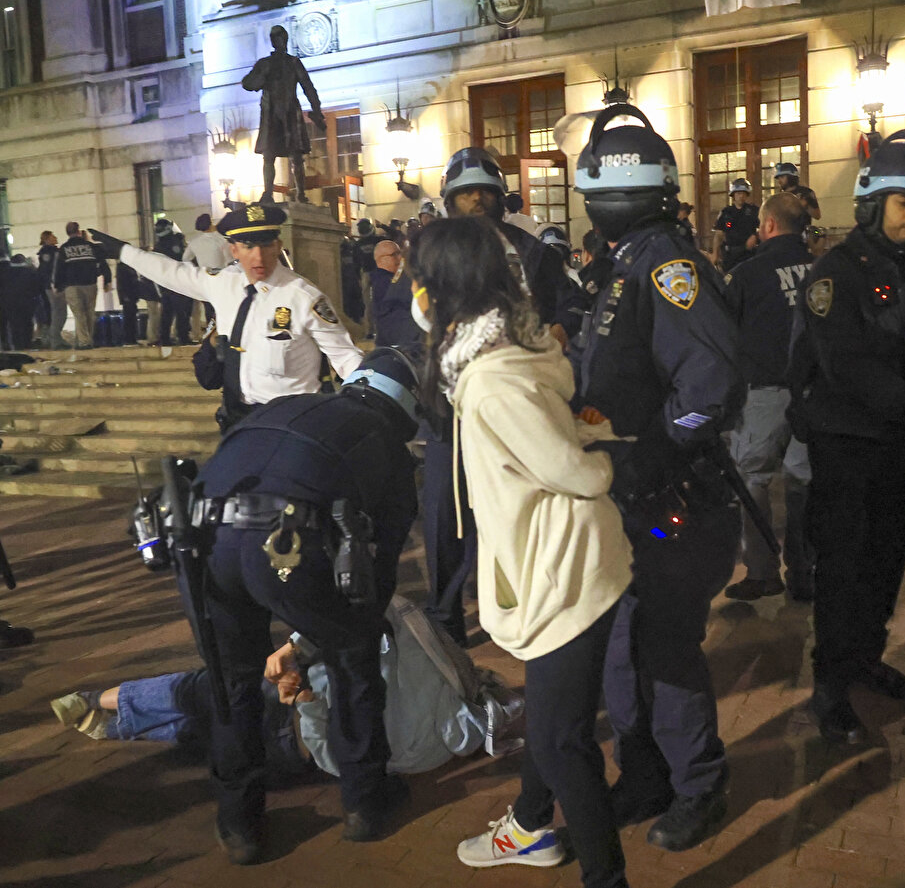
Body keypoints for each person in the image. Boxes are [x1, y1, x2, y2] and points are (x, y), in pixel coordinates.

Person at [410, 217, 633, 888]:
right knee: (551, 715)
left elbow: (572, 468)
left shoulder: (491, 379)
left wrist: (597, 462)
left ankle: (606, 877)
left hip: (561, 570)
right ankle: (532, 824)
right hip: (567, 558)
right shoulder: (508, 349)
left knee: (564, 741)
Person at [575, 105, 743, 852]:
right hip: (627, 497)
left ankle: (699, 782)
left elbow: (710, 386)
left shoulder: (668, 267)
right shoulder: (623, 264)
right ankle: (642, 773)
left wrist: (658, 454)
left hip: (671, 496)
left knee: (665, 648)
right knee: (622, 647)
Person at [184, 348, 421, 862]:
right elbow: (378, 573)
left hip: (207, 539)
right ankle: (363, 801)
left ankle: (239, 822)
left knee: (232, 680)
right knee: (354, 657)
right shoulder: (388, 447)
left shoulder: (282, 406)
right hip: (287, 544)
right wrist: (335, 630)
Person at [787, 130, 905, 744]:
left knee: (888, 556)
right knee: (842, 566)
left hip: (890, 442)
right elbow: (845, 363)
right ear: (873, 200)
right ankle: (830, 685)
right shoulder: (836, 271)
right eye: (903, 201)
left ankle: (864, 659)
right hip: (844, 441)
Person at [50, 594, 524, 776]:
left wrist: (300, 679)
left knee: (207, 693)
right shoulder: (428, 757)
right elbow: (339, 761)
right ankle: (111, 724)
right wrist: (305, 697)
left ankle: (101, 703)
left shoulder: (429, 669)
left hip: (294, 711)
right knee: (208, 732)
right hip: (293, 737)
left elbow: (383, 605)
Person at [420, 146, 583, 646]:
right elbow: (421, 315)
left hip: (519, 400)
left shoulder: (533, 250)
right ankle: (448, 624)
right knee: (445, 519)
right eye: (465, 193)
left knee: (518, 510)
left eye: (483, 192)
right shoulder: (435, 249)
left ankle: (529, 608)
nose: (475, 201)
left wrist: (556, 332)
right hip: (455, 409)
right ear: (450, 199)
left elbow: (572, 303)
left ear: (499, 196)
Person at [89, 205, 363, 432]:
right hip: (239, 420)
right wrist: (125, 253)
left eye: (266, 245)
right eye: (248, 246)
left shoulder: (304, 298)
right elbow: (173, 272)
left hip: (293, 424)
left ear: (278, 245)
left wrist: (369, 399)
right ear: (234, 250)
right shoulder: (224, 284)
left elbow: (345, 356)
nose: (258, 256)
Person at [721, 193, 816, 602]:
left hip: (764, 394)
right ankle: (804, 572)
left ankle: (762, 572)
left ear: (770, 225)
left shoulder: (748, 274)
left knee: (752, 481)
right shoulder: (824, 270)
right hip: (813, 394)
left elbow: (725, 333)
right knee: (803, 484)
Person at [241, 25, 324, 204]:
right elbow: (247, 83)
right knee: (269, 155)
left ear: (285, 40)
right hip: (272, 114)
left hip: (289, 112)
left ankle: (301, 193)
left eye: (281, 38)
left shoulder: (293, 63)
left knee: (296, 155)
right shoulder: (265, 64)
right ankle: (268, 193)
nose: (279, 42)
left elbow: (308, 87)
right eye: (275, 39)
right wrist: (261, 78)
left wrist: (317, 111)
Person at [51, 222, 112, 350]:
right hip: (90, 283)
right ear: (78, 231)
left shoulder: (64, 249)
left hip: (72, 285)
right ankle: (87, 339)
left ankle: (84, 342)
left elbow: (59, 269)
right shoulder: (90, 246)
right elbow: (102, 263)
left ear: (67, 232)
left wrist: (57, 285)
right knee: (89, 312)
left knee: (79, 313)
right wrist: (107, 280)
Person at [371, 238, 423, 360]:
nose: (400, 258)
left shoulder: (393, 278)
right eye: (394, 255)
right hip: (398, 341)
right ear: (380, 259)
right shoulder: (383, 281)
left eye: (400, 253)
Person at [152, 218, 193, 346]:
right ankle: (183, 336)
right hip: (177, 280)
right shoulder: (174, 242)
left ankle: (165, 337)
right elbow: (182, 258)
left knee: (167, 312)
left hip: (164, 281)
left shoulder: (158, 246)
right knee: (181, 311)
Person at [709, 178, 759, 273]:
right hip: (731, 256)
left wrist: (755, 236)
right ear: (733, 195)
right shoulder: (726, 212)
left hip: (749, 254)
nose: (741, 196)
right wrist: (715, 253)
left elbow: (763, 228)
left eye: (743, 193)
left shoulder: (753, 211)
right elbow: (719, 234)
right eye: (738, 193)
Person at [0, 254, 41, 351]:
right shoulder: (30, 271)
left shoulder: (5, 273)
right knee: (27, 323)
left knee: (14, 325)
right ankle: (27, 344)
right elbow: (37, 287)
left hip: (9, 302)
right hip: (27, 301)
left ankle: (17, 345)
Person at [772, 161, 821, 229]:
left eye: (782, 177)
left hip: (802, 234)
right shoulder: (779, 197)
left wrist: (805, 205)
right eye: (778, 178)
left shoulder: (806, 193)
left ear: (791, 176)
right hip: (784, 234)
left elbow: (817, 215)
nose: (779, 181)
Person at [33, 231, 57, 347]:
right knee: (53, 311)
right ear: (47, 239)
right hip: (49, 286)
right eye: (53, 236)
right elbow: (49, 270)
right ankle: (49, 338)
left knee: (49, 311)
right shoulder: (49, 252)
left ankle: (46, 338)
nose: (55, 238)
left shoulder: (45, 252)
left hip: (44, 286)